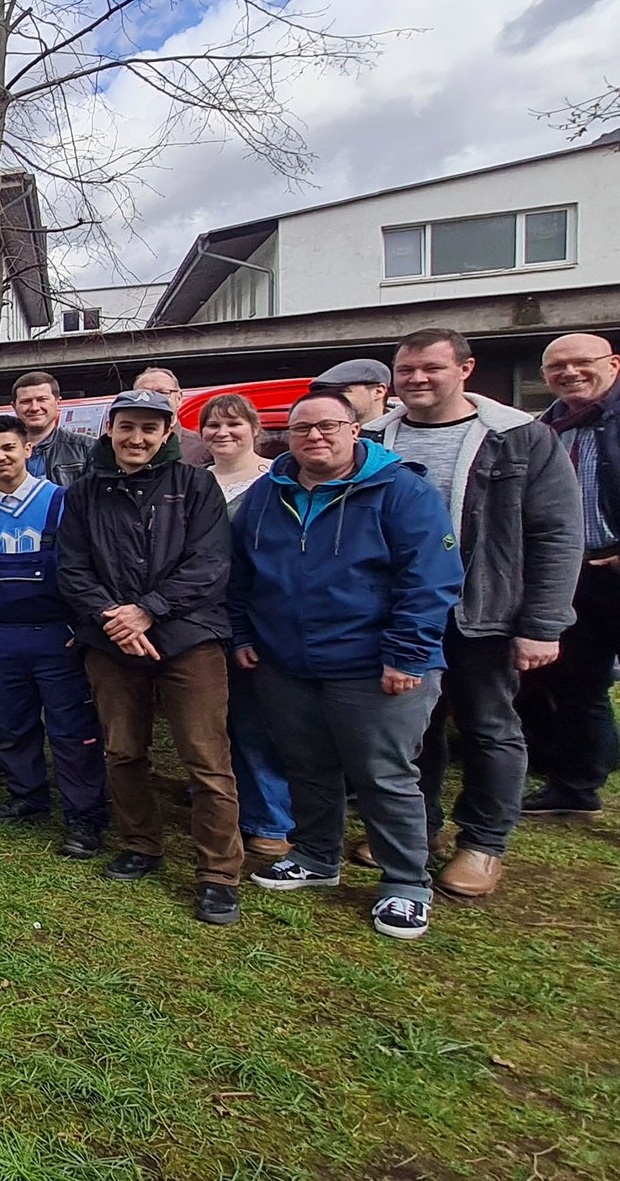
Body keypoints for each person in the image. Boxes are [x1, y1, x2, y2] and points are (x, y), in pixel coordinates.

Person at [235, 392, 463, 940]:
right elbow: (241, 571)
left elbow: (430, 578)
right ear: (286, 436)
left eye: (328, 426)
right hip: (287, 660)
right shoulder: (269, 493)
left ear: (355, 429)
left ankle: (406, 883)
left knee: (383, 773)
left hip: (375, 664)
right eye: (301, 429)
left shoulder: (401, 491)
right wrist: (243, 634)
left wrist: (407, 654)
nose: (315, 437)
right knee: (306, 763)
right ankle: (316, 856)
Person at [363, 328, 580, 897]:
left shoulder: (518, 438)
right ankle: (421, 827)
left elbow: (557, 532)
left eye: (430, 368)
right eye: (406, 370)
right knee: (414, 728)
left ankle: (483, 843)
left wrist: (543, 623)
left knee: (488, 727)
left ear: (466, 369)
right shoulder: (373, 437)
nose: (416, 379)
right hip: (397, 614)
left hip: (481, 612)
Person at [58, 390, 242, 927]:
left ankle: (218, 874)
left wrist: (148, 610)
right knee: (122, 751)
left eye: (149, 429)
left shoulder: (195, 484)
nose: (137, 438)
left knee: (206, 758)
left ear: (167, 435)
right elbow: (71, 568)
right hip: (111, 641)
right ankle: (141, 843)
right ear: (109, 429)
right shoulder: (85, 492)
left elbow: (210, 564)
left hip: (188, 637)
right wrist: (115, 617)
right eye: (127, 427)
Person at [0, 416, 106, 850]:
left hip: (58, 637)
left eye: (8, 448)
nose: (0, 457)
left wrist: (84, 625)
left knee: (72, 730)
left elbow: (86, 569)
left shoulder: (61, 502)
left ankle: (84, 817)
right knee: (14, 727)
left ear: (27, 451)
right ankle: (27, 796)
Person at [519, 332, 620, 818]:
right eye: (557, 367)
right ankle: (577, 787)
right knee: (579, 683)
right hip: (574, 575)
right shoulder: (547, 427)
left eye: (582, 363)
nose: (569, 373)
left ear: (614, 365)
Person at [197, 393, 294, 856]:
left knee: (256, 721)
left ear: (255, 429)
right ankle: (219, 803)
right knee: (210, 722)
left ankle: (269, 818)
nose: (223, 433)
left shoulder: (277, 481)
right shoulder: (195, 483)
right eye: (213, 425)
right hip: (198, 616)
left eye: (234, 424)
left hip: (256, 616)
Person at [8, 372, 94, 487]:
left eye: (42, 399)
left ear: (58, 403)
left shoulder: (86, 448)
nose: (34, 408)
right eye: (26, 402)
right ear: (14, 407)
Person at [132, 367, 209, 466]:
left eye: (162, 393)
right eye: (144, 394)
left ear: (179, 398)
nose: (153, 399)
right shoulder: (121, 447)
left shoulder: (202, 447)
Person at [308, 358, 392, 423]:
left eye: (341, 392)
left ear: (378, 391)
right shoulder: (319, 434)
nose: (331, 401)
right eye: (327, 395)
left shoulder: (402, 431)